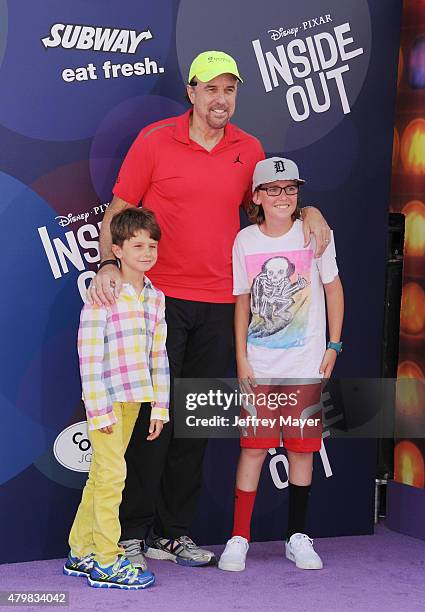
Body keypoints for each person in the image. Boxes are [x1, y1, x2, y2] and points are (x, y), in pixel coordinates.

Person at [87, 50, 331, 568]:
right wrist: (108, 264)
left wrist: (312, 209)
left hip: (222, 305)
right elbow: (119, 210)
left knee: (193, 423)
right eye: (211, 89)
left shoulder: (250, 147)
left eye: (230, 90)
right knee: (155, 417)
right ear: (192, 93)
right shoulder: (155, 140)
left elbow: (271, 203)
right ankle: (132, 532)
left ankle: (173, 533)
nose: (221, 100)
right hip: (159, 302)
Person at [218, 157, 344, 572]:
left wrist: (334, 345)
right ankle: (239, 537)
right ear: (256, 196)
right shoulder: (245, 241)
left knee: (302, 452)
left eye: (290, 189)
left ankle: (298, 536)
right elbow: (241, 300)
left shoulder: (315, 234)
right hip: (259, 366)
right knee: (253, 449)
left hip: (306, 365)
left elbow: (332, 289)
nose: (283, 197)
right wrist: (240, 356)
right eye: (273, 189)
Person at [64, 207, 169, 589]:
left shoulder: (156, 298)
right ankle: (107, 560)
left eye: (152, 245)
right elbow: (88, 355)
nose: (146, 252)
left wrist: (160, 405)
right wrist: (98, 408)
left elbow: (159, 354)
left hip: (136, 399)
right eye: (137, 245)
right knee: (112, 478)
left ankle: (81, 550)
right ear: (117, 250)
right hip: (107, 402)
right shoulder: (103, 294)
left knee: (100, 477)